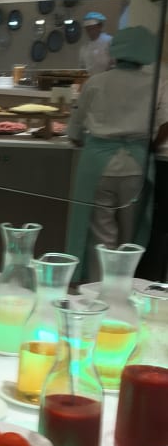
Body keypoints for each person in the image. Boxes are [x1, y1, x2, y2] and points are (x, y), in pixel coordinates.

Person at [66, 25, 167, 282]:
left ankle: (98, 288)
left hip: (98, 165)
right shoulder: (155, 84)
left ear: (115, 50)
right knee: (130, 236)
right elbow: (165, 122)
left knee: (101, 235)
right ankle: (123, 288)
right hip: (136, 165)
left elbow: (76, 124)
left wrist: (78, 138)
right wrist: (152, 145)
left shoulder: (97, 82)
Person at [79, 11, 112, 76]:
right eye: (88, 29)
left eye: (93, 28)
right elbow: (82, 68)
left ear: (100, 27)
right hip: (90, 80)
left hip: (107, 79)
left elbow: (114, 63)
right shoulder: (84, 48)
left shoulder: (110, 41)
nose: (91, 32)